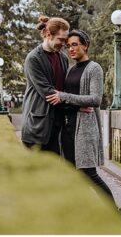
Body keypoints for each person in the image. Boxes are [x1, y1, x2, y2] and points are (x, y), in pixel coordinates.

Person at [45, 29, 114, 200]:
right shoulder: (70, 70)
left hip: (85, 130)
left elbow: (95, 99)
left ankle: (114, 214)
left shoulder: (94, 68)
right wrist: (74, 105)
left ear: (85, 45)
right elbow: (68, 103)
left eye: (75, 45)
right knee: (72, 174)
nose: (71, 49)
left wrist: (64, 96)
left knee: (89, 174)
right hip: (69, 130)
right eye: (68, 46)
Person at [20, 16, 70, 154]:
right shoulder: (33, 58)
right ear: (48, 35)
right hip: (37, 127)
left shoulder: (63, 58)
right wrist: (77, 104)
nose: (64, 43)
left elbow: (63, 89)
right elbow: (48, 93)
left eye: (65, 40)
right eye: (61, 39)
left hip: (57, 125)